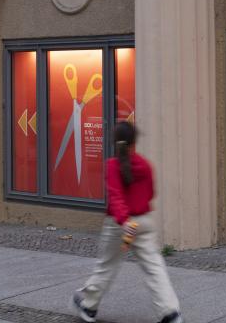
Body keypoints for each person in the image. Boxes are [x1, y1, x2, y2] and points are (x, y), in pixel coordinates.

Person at [72, 121, 183, 323]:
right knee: (154, 267)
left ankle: (89, 306)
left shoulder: (112, 166)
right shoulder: (145, 165)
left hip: (120, 225)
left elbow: (115, 196)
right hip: (144, 222)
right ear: (135, 141)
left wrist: (125, 221)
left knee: (107, 265)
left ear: (115, 142)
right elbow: (151, 193)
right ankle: (170, 313)